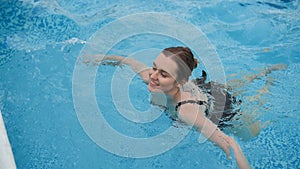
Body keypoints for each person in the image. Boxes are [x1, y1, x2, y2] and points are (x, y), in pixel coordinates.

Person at [100, 46, 251, 169]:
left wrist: (237, 156)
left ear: (179, 82)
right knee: (238, 83)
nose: (152, 76)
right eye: (154, 67)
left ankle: (267, 76)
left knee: (251, 128)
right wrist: (96, 59)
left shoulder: (186, 111)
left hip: (221, 108)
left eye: (163, 74)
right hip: (201, 88)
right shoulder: (153, 78)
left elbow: (229, 141)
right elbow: (129, 62)